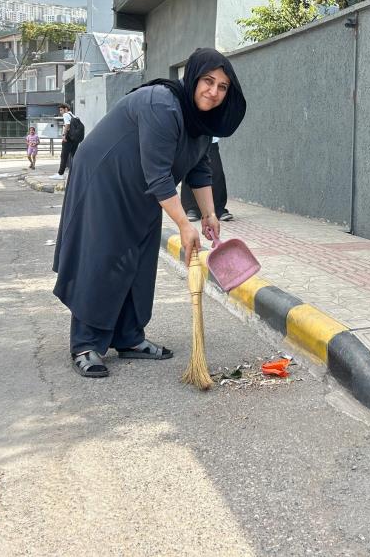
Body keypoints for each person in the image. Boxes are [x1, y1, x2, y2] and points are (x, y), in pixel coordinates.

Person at [53, 47, 247, 378]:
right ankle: (86, 343)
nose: (214, 92)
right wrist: (185, 225)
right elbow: (158, 173)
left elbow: (199, 169)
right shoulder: (163, 104)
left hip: (141, 188)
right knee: (103, 256)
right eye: (208, 81)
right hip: (104, 179)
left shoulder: (199, 121)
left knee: (140, 258)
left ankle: (128, 337)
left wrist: (209, 214)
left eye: (223, 87)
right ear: (193, 78)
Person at [181, 137, 233, 221]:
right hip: (190, 139)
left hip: (210, 138)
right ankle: (192, 208)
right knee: (189, 170)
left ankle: (218, 208)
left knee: (216, 171)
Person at [50, 104, 79, 180]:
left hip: (68, 139)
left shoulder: (66, 114)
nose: (60, 112)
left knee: (63, 156)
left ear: (66, 109)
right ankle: (75, 172)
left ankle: (60, 174)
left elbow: (67, 125)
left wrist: (64, 135)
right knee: (74, 156)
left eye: (61, 110)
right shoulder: (74, 116)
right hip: (75, 139)